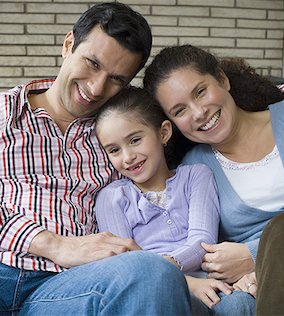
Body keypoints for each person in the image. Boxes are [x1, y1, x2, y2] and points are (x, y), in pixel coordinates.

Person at [0, 3, 192, 315]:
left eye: (116, 79)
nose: (96, 88)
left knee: (153, 274)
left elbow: (150, 205)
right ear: (68, 45)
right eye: (92, 63)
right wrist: (53, 244)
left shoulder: (117, 136)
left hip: (69, 285)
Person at [143, 45, 284, 313]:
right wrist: (246, 275)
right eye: (180, 110)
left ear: (222, 80)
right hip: (270, 282)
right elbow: (204, 245)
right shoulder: (193, 168)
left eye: (200, 92)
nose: (198, 113)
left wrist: (255, 255)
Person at [93, 86, 239, 310]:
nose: (127, 157)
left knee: (239, 305)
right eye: (114, 150)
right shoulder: (111, 198)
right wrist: (185, 282)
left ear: (163, 133)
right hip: (151, 287)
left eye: (135, 140)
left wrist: (169, 267)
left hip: (208, 280)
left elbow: (202, 242)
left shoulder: (196, 175)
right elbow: (124, 263)